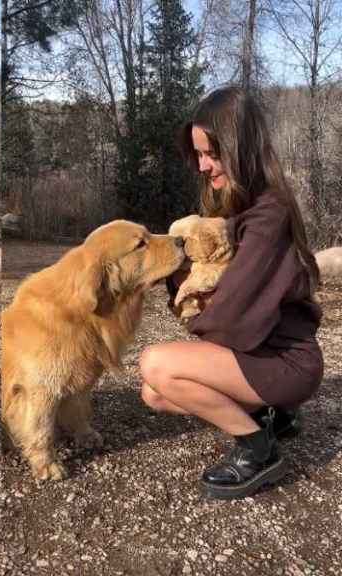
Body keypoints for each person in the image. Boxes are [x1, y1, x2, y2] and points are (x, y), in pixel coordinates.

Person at [139, 86, 323, 500]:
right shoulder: (242, 203)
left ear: (239, 147)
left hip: (286, 359)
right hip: (262, 351)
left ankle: (259, 450)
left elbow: (232, 316)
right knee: (155, 393)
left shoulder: (269, 212)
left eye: (211, 154)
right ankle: (271, 415)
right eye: (198, 155)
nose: (203, 166)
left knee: (158, 365)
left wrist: (179, 285)